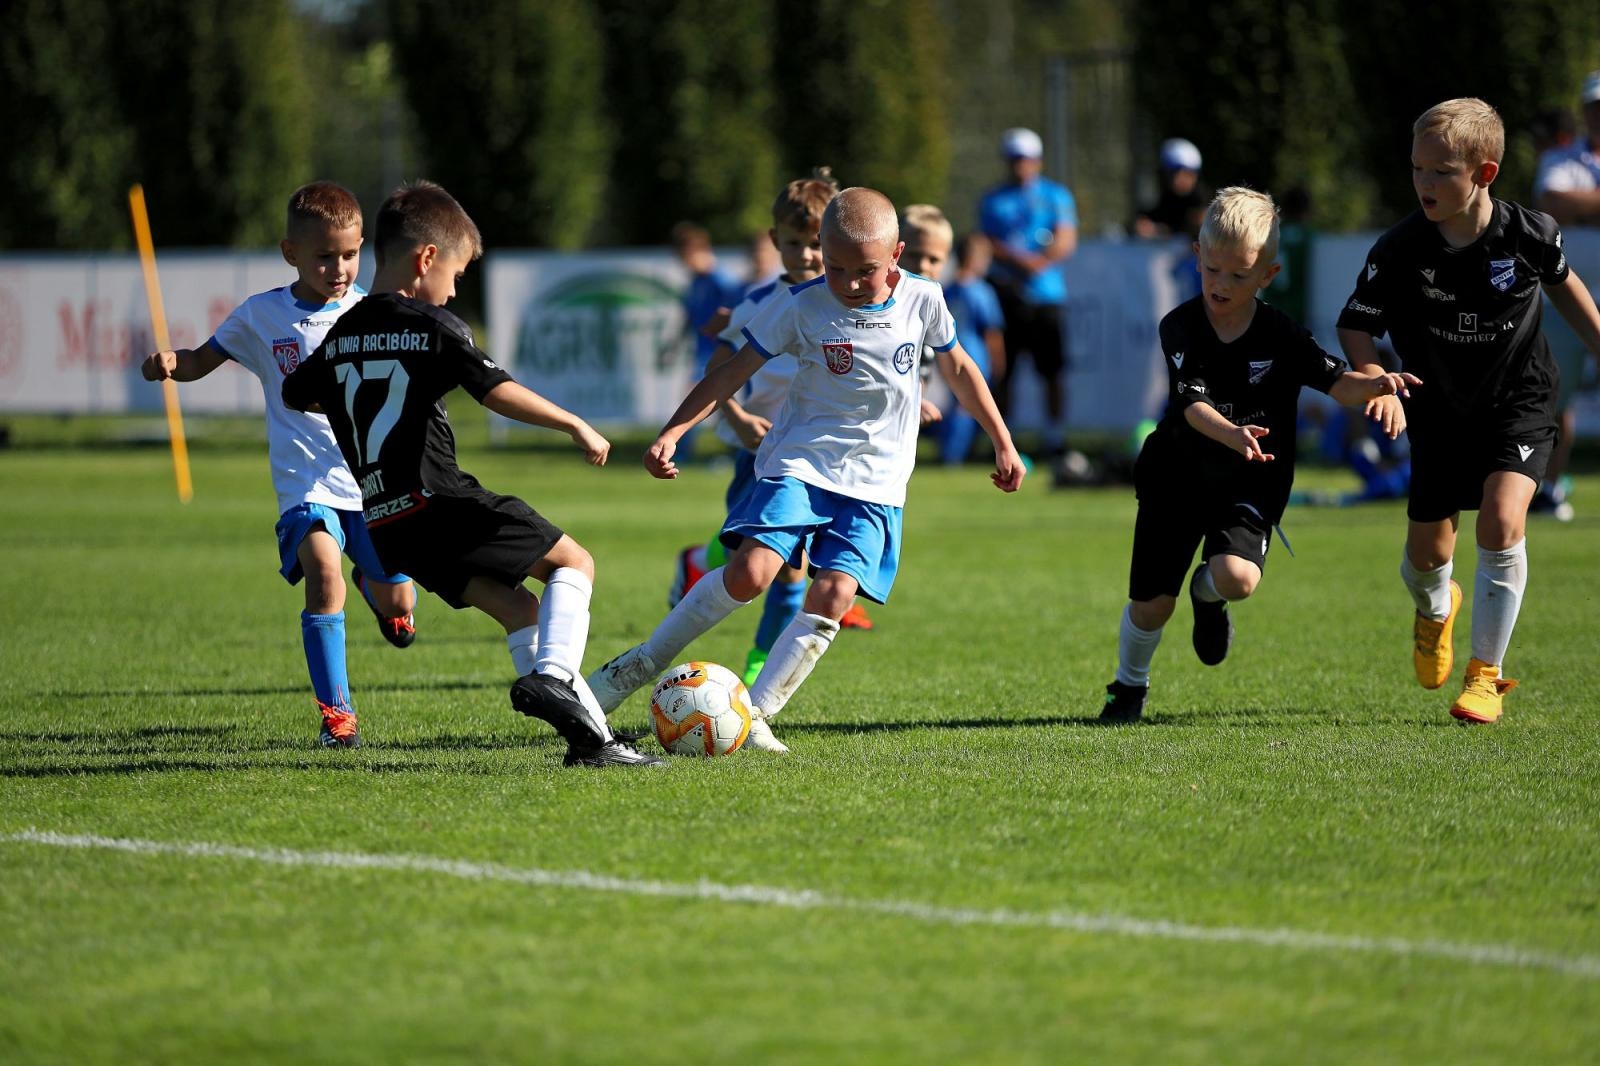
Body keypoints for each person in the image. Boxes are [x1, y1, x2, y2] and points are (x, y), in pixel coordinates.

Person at [587, 187, 1026, 753]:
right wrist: (674, 430)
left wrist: (1002, 441)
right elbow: (729, 371)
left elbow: (960, 367)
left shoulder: (924, 300)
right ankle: (635, 666)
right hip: (803, 461)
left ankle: (758, 713)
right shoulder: (800, 304)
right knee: (751, 574)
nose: (847, 282)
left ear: (897, 255)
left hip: (879, 480)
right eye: (836, 267)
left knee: (837, 592)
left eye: (864, 271)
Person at [283, 181, 661, 768]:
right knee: (574, 563)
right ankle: (556, 676)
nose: (455, 290)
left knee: (522, 612)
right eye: (456, 275)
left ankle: (594, 745)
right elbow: (495, 391)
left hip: (388, 523)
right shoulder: (432, 325)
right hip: (440, 500)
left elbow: (296, 392)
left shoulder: (337, 337)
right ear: (426, 259)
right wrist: (574, 425)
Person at [1101, 188, 1419, 723]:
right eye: (1213, 270)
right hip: (1176, 475)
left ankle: (1209, 596)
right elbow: (1192, 404)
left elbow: (1335, 380)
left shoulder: (1282, 334)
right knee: (1153, 606)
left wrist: (1375, 386)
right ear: (1198, 255)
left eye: (1239, 276)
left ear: (1267, 275)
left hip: (1251, 482)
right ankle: (1128, 687)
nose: (1221, 285)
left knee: (1237, 578)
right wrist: (1232, 433)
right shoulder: (1179, 326)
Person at [1337, 98, 1600, 724]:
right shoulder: (1400, 249)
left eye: (1440, 173)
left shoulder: (1531, 234)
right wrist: (1376, 380)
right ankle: (1435, 610)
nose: (1424, 184)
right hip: (1437, 410)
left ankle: (1485, 676)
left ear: (1483, 174)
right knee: (1427, 556)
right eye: (1417, 171)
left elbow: (1568, 293)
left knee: (1502, 522)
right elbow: (1355, 327)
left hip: (1520, 401)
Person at [141, 181, 418, 749]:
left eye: (349, 254)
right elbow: (204, 359)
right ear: (291, 253)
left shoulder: (372, 312)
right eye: (324, 256)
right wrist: (174, 363)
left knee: (400, 602)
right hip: (305, 484)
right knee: (322, 577)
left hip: (369, 482)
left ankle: (375, 584)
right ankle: (337, 718)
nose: (338, 268)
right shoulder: (262, 315)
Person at [667, 169, 866, 685]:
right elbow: (720, 368)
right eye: (794, 244)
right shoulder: (760, 305)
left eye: (814, 244)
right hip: (757, 454)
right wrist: (735, 416)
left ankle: (758, 666)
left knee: (788, 572)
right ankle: (698, 559)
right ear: (776, 241)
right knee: (754, 559)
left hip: (814, 458)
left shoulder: (850, 307)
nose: (805, 256)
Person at [977, 127, 1077, 458]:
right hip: (1005, 294)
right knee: (1004, 370)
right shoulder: (993, 199)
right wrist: (1022, 259)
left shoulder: (1056, 195)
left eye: (1028, 159)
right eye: (1016, 159)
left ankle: (1054, 437)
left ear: (1038, 161)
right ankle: (1005, 439)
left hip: (1046, 296)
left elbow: (1065, 239)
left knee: (1052, 371)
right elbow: (986, 242)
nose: (1022, 165)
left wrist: (1039, 261)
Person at [1531, 74, 1600, 521]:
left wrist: (1586, 203)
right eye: (1594, 106)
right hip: (1566, 296)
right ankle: (1547, 490)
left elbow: (1570, 203)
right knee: (1557, 397)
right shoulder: (1561, 157)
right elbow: (1552, 200)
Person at [900, 208, 1007, 466]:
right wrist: (998, 361)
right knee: (960, 408)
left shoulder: (944, 291)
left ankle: (953, 454)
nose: (924, 266)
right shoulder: (977, 292)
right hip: (971, 353)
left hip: (961, 355)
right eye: (915, 255)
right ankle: (952, 455)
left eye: (933, 259)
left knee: (961, 405)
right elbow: (993, 332)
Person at [670, 221, 746, 464]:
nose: (683, 263)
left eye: (684, 256)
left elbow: (740, 312)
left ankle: (679, 450)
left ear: (696, 251)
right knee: (719, 401)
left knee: (699, 396)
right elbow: (690, 315)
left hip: (719, 350)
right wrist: (674, 344)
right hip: (702, 350)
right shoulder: (696, 281)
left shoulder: (722, 280)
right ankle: (736, 450)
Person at [1134, 138, 1208, 239]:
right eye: (1173, 173)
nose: (1178, 179)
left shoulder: (1202, 204)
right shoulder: (1168, 199)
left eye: (1187, 173)